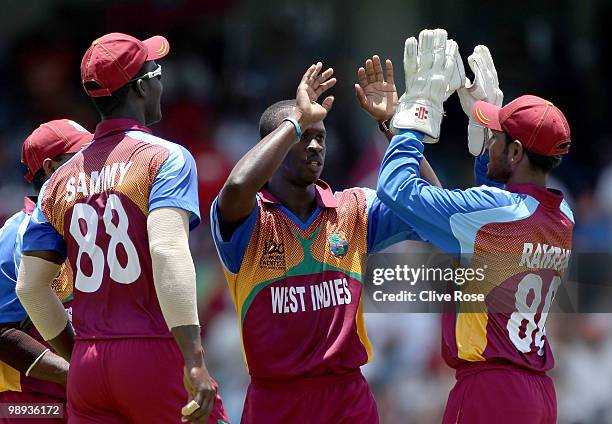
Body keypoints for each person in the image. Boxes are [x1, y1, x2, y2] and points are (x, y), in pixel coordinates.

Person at [210, 57, 440, 423]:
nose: (316, 146)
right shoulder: (249, 221)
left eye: (321, 137)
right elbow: (236, 186)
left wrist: (394, 128)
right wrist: (293, 121)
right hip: (277, 401)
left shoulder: (353, 209)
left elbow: (430, 204)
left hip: (347, 398)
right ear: (277, 142)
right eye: (304, 136)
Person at [15, 33, 228, 424]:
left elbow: (29, 286)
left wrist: (76, 352)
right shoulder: (165, 157)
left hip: (89, 364)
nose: (163, 83)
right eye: (157, 73)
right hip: (153, 353)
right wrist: (195, 359)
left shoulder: (59, 179)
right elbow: (167, 251)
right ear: (144, 86)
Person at [376, 28, 574, 424]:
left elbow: (394, 188)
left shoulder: (495, 214)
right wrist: (487, 144)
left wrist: (415, 114)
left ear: (516, 152)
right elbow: (492, 222)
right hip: (537, 392)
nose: (490, 140)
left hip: (491, 389)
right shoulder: (563, 215)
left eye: (497, 137)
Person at [0, 120, 91, 423]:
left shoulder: (94, 225)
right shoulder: (14, 236)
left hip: (88, 397)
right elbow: (1, 332)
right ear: (52, 168)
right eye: (84, 156)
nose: (94, 165)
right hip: (30, 403)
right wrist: (80, 374)